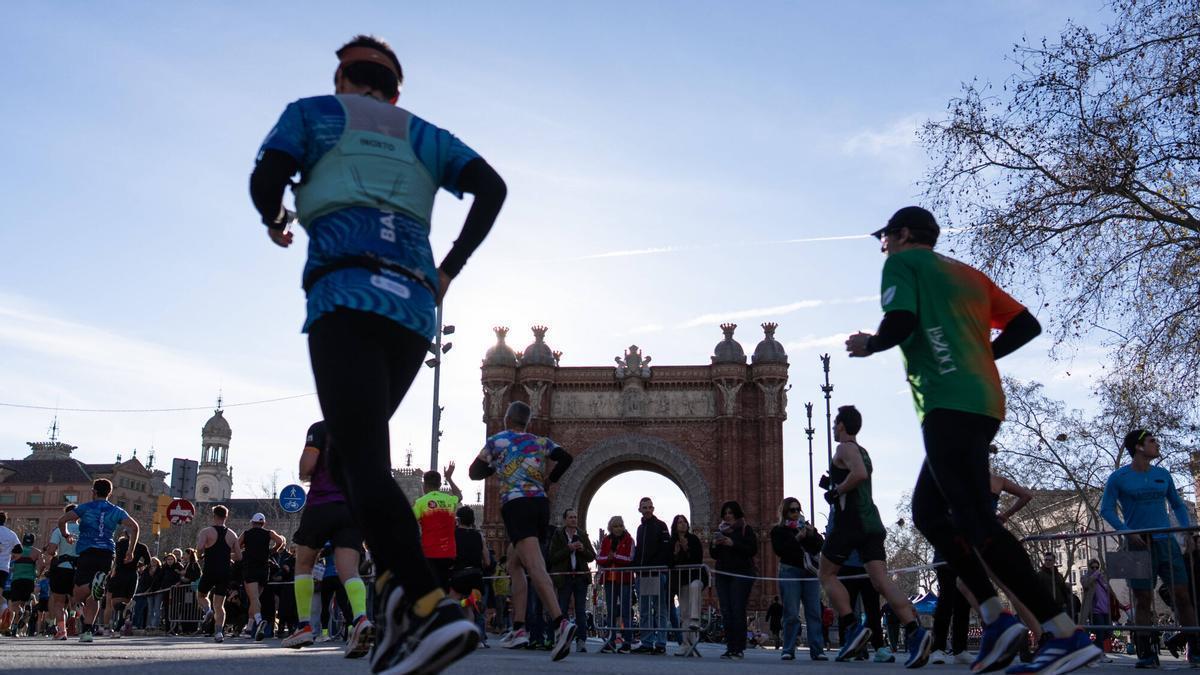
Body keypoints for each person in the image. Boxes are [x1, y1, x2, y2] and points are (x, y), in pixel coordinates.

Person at [250, 33, 505, 673]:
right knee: (350, 447)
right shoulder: (421, 132)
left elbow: (266, 175)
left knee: (360, 459)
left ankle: (430, 609)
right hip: (415, 312)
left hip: (346, 295)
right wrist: (450, 267)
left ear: (344, 79)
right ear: (396, 89)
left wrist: (274, 217)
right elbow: (493, 188)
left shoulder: (314, 113)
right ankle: (395, 612)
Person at [846, 206, 1099, 674]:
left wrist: (871, 344)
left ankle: (1062, 632)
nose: (882, 245)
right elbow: (1027, 325)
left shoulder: (902, 264)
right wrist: (982, 356)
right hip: (982, 400)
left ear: (903, 235)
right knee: (928, 512)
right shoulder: (968, 275)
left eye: (884, 237)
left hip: (948, 403)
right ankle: (994, 617)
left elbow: (900, 322)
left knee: (976, 520)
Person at [816, 405, 930, 667]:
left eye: (835, 424)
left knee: (826, 574)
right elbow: (862, 475)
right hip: (872, 523)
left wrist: (836, 492)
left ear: (842, 425)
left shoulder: (844, 448)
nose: (834, 428)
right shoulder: (864, 452)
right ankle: (915, 630)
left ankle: (852, 627)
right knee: (881, 581)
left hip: (849, 522)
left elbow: (858, 475)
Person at [470, 400, 575, 660]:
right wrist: (549, 480)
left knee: (535, 566)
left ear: (507, 418)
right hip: (540, 505)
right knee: (515, 562)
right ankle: (519, 628)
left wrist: (497, 465)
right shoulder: (541, 441)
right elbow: (566, 458)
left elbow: (474, 472)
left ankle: (561, 622)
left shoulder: (498, 441)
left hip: (517, 505)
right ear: (526, 421)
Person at [1100, 429, 1200, 668]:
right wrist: (1127, 531)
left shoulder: (1163, 474)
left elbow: (1177, 505)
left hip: (1166, 542)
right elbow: (1106, 510)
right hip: (1136, 545)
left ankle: (1196, 650)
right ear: (1138, 447)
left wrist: (1187, 531)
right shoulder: (1118, 477)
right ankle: (1146, 653)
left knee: (1183, 595)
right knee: (1142, 599)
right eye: (1152, 441)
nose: (1157, 444)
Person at [284, 420, 373, 658]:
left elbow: (308, 465)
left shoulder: (321, 428)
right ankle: (361, 619)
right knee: (350, 572)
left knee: (303, 563)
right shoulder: (365, 431)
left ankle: (304, 626)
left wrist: (304, 472)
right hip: (352, 509)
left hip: (322, 504)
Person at [57, 479, 139, 643]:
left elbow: (62, 521)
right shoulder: (116, 510)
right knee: (95, 596)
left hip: (87, 551)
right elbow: (135, 527)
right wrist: (130, 551)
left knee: (78, 593)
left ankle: (91, 587)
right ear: (109, 493)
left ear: (93, 491)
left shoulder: (85, 508)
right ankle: (87, 632)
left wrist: (66, 535)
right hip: (108, 553)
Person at [770, 497, 827, 662]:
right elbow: (781, 551)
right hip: (790, 572)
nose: (795, 513)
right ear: (784, 512)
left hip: (809, 572)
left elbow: (819, 546)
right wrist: (797, 539)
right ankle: (788, 649)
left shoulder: (807, 528)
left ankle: (817, 650)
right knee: (791, 613)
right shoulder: (778, 531)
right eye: (792, 510)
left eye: (797, 509)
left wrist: (811, 534)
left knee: (814, 612)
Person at [710, 500, 757, 660]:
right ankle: (730, 647)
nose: (728, 515)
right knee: (726, 611)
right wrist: (715, 544)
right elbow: (713, 554)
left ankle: (739, 648)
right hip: (722, 575)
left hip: (741, 575)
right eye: (725, 513)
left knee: (737, 610)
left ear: (736, 514)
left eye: (731, 513)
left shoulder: (745, 529)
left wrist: (733, 543)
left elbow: (752, 549)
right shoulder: (720, 530)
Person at [548, 508, 595, 654]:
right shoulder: (558, 534)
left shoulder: (581, 534)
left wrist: (582, 549)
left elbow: (592, 556)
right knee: (562, 609)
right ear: (565, 520)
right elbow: (552, 557)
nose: (574, 519)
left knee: (580, 611)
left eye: (575, 517)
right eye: (571, 517)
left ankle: (581, 641)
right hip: (564, 578)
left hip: (580, 578)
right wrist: (568, 549)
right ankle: (562, 639)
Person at [195, 505, 242, 643]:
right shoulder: (232, 534)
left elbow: (199, 548)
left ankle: (207, 610)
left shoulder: (207, 531)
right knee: (220, 605)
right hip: (225, 571)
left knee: (201, 595)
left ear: (213, 515)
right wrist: (226, 555)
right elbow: (239, 557)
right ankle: (219, 633)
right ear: (226, 517)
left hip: (210, 569)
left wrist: (200, 555)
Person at [238, 512, 286, 640]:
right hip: (264, 569)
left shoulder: (247, 533)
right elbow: (280, 540)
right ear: (263, 523)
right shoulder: (268, 533)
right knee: (255, 600)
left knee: (253, 599)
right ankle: (248, 629)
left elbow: (236, 545)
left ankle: (259, 622)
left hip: (250, 568)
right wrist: (273, 550)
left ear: (252, 523)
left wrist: (243, 550)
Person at [632, 496, 671, 654]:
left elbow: (665, 549)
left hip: (656, 573)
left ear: (653, 509)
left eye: (650, 507)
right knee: (645, 610)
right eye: (644, 507)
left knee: (660, 609)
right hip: (643, 575)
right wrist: (636, 569)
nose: (647, 510)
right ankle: (647, 643)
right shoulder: (640, 529)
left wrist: (656, 566)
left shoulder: (661, 525)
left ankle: (660, 643)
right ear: (639, 509)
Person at [414, 465, 462, 590]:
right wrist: (450, 478)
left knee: (430, 589)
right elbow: (459, 495)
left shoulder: (421, 502)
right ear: (440, 484)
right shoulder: (449, 500)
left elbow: (408, 522)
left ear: (424, 485)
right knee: (445, 589)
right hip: (449, 553)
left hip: (429, 553)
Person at [450, 505, 491, 646]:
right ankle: (471, 638)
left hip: (459, 575)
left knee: (453, 603)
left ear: (458, 519)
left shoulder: (453, 534)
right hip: (476, 577)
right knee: (469, 606)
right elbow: (487, 561)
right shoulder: (479, 536)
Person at [669, 513, 708, 657]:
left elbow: (698, 559)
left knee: (695, 588)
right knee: (684, 613)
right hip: (681, 580)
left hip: (696, 577)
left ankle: (696, 620)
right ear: (675, 525)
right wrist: (675, 553)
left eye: (684, 521)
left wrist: (687, 550)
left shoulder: (694, 540)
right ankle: (687, 645)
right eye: (679, 522)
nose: (682, 524)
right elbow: (669, 563)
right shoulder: (672, 542)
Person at [595, 516, 635, 654]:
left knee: (625, 611)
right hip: (609, 580)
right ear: (610, 527)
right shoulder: (606, 540)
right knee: (611, 611)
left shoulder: (629, 540)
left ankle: (628, 642)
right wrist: (609, 559)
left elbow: (630, 558)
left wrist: (614, 557)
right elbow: (599, 557)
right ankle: (610, 641)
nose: (618, 528)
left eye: (620, 525)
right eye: (615, 526)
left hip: (624, 580)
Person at [42, 503, 79, 640]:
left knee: (59, 602)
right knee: (77, 598)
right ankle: (76, 614)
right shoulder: (85, 529)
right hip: (80, 569)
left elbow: (51, 551)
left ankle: (62, 630)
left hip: (63, 567)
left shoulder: (59, 530)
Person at [103, 533, 151, 635]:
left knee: (110, 603)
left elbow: (112, 557)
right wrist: (137, 565)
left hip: (118, 573)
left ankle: (106, 628)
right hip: (132, 575)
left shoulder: (119, 544)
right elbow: (148, 561)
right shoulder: (142, 547)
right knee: (126, 602)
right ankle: (120, 626)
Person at [1080, 558, 1119, 654]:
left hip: (1106, 609)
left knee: (1108, 633)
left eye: (1097, 567)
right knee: (1100, 633)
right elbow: (1085, 584)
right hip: (1095, 611)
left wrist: (1118, 604)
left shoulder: (1103, 578)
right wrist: (1094, 576)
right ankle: (1099, 653)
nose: (1095, 569)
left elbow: (1111, 592)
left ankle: (1094, 649)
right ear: (1089, 568)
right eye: (1092, 567)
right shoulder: (1086, 577)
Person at [0, 512, 19, 622]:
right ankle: (5, 608)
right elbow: (19, 552)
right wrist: (9, 558)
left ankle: (4, 610)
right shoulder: (11, 534)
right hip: (3, 568)